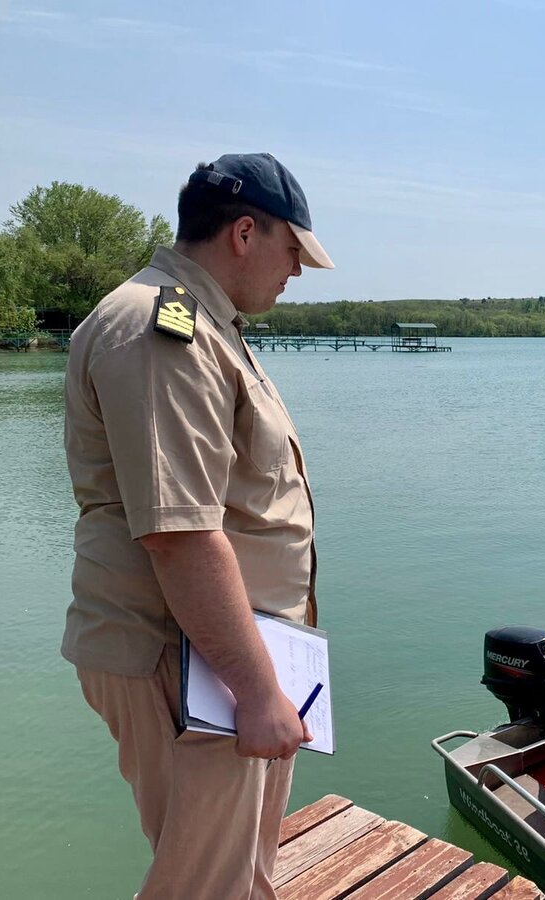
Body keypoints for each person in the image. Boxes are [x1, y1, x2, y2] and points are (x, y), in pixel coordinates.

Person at [62, 153, 334, 899]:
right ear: (245, 233)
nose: (298, 272)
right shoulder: (162, 328)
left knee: (238, 873)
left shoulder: (206, 322)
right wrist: (253, 690)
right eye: (294, 251)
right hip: (183, 660)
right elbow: (178, 532)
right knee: (205, 885)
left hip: (217, 651)